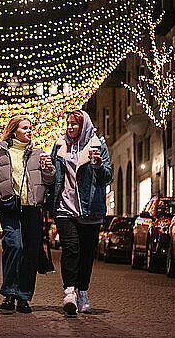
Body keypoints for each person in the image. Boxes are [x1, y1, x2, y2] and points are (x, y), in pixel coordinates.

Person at [0, 115, 55, 314]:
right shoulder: (1, 155)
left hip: (32, 209)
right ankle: (9, 293)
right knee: (14, 246)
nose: (29, 130)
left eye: (31, 128)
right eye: (25, 128)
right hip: (10, 209)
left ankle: (23, 297)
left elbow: (49, 182)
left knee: (30, 253)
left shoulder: (39, 154)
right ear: (15, 131)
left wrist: (49, 169)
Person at [47, 109, 112, 315]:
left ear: (84, 125)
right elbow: (52, 177)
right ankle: (69, 293)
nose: (69, 127)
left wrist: (99, 167)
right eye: (68, 123)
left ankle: (82, 291)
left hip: (90, 209)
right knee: (71, 249)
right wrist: (47, 169)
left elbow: (107, 177)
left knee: (85, 255)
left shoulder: (97, 145)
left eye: (74, 123)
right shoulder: (59, 145)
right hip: (65, 207)